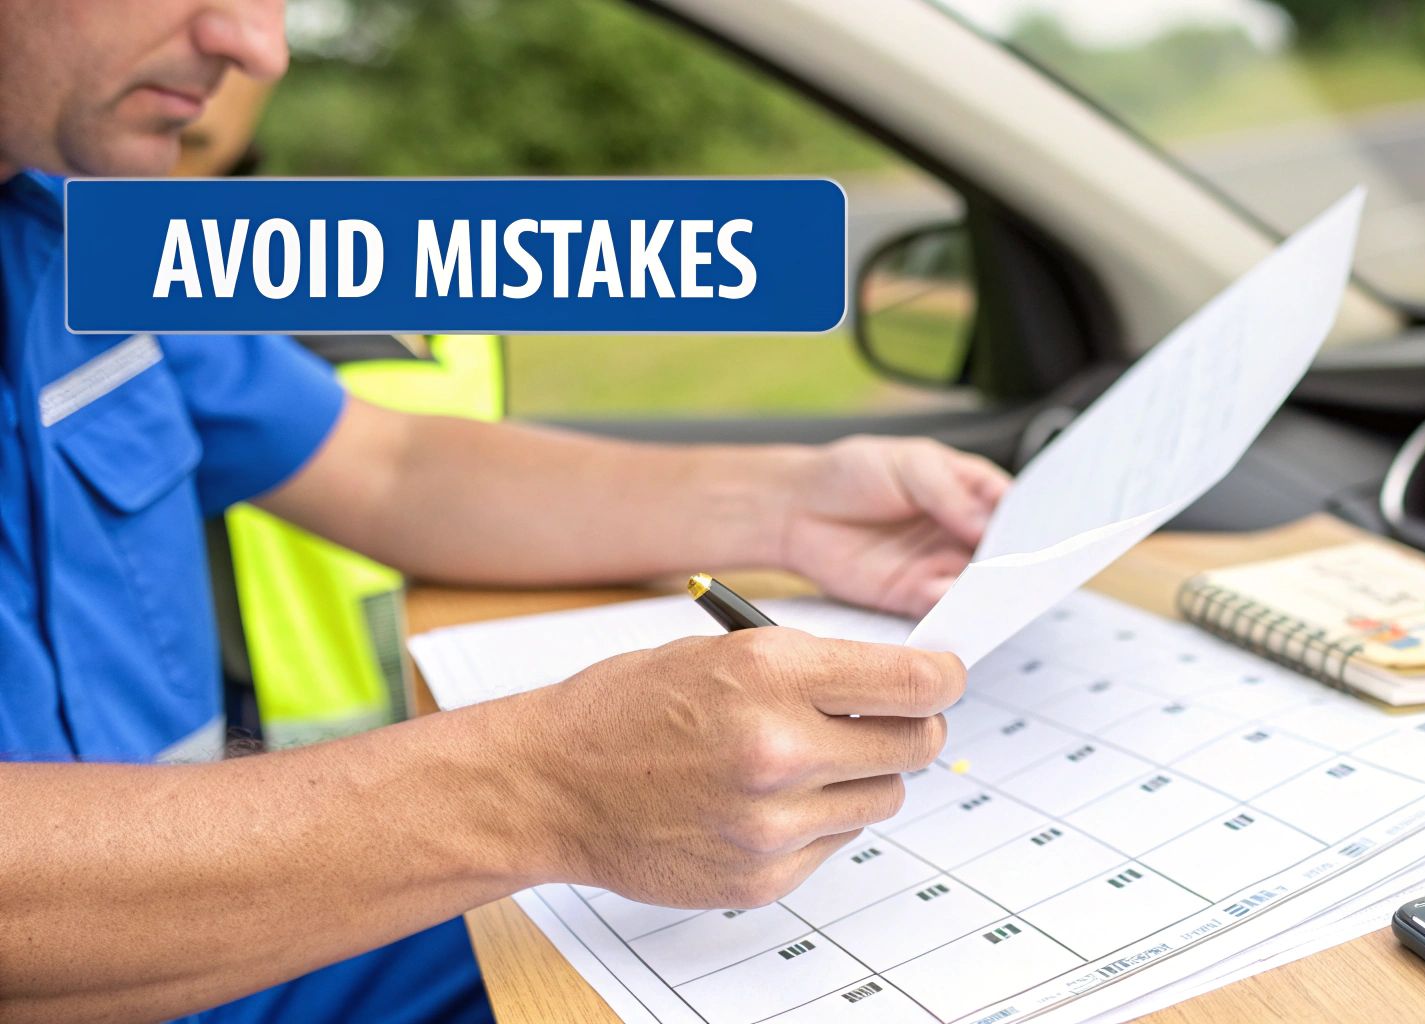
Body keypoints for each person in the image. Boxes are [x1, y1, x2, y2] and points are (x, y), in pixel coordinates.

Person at [0, 2, 1008, 1021]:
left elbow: (384, 462)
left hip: (234, 945)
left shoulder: (70, 225)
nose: (257, 48)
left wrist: (790, 507)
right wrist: (537, 792)